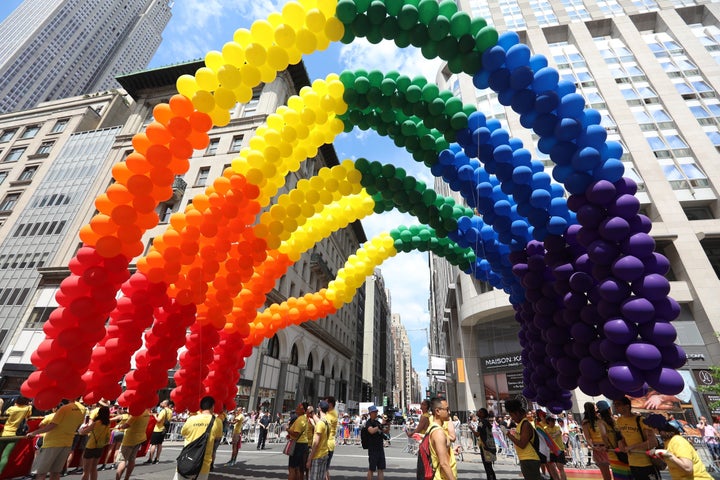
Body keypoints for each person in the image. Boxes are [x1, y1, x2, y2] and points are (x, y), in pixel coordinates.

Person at [27, 397, 87, 480]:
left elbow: (52, 425)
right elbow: (79, 423)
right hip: (67, 443)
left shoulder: (64, 409)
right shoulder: (83, 409)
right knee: (56, 472)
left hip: (52, 443)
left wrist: (34, 433)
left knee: (41, 473)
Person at [644, 413, 713, 480]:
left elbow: (688, 468)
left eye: (648, 429)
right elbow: (671, 466)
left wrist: (669, 455)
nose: (646, 431)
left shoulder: (677, 441)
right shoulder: (667, 442)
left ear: (655, 429)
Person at [173, 396, 223, 480]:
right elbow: (217, 438)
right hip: (203, 464)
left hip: (186, 460)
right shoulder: (217, 422)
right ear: (213, 406)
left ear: (201, 407)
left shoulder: (191, 419)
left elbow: (183, 433)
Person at [613, 396, 659, 480]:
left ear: (627, 406)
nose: (615, 407)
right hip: (632, 463)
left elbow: (653, 442)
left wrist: (632, 447)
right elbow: (623, 437)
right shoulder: (619, 421)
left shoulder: (641, 420)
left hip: (647, 462)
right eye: (614, 404)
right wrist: (621, 443)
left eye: (618, 404)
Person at [505, 398, 541, 480]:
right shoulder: (521, 424)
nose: (512, 418)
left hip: (530, 459)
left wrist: (508, 435)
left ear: (517, 413)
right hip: (525, 459)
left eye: (512, 415)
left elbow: (522, 444)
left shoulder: (525, 424)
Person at [596, 400, 631, 480]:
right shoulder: (615, 420)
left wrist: (607, 446)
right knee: (628, 474)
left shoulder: (601, 422)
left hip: (613, 453)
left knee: (619, 476)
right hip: (622, 450)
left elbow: (604, 435)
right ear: (609, 409)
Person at [114, 408, 150, 480]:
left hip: (129, 439)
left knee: (123, 460)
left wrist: (119, 426)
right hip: (139, 438)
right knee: (132, 459)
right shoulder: (147, 413)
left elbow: (127, 425)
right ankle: (126, 478)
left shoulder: (136, 414)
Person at [426, 398, 457, 480]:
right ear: (437, 411)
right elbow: (444, 463)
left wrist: (450, 451)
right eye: (447, 409)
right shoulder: (438, 432)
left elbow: (437, 454)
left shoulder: (433, 428)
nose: (449, 412)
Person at [80, 406, 111, 480]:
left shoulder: (96, 423)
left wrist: (82, 428)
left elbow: (83, 432)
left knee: (86, 471)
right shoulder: (108, 423)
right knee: (94, 468)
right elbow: (108, 437)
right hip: (100, 447)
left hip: (91, 446)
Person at [582, 402, 611, 480]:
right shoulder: (587, 422)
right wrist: (594, 447)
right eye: (595, 407)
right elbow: (588, 438)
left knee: (607, 474)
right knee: (608, 474)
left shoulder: (598, 419)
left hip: (603, 447)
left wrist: (594, 447)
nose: (596, 409)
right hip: (602, 448)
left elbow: (588, 438)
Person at [306, 400, 330, 480]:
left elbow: (315, 443)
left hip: (317, 456)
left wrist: (309, 459)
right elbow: (319, 421)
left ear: (319, 408)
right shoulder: (326, 421)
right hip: (324, 454)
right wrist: (312, 413)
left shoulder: (320, 424)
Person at [471, 408, 497, 480]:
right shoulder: (486, 422)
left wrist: (471, 429)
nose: (478, 412)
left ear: (482, 414)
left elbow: (477, 434)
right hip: (490, 446)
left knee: (487, 466)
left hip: (485, 447)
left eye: (479, 412)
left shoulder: (481, 422)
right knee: (489, 466)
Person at [287, 402, 310, 480]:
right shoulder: (304, 418)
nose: (296, 409)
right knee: (299, 468)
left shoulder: (300, 419)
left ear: (303, 410)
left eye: (299, 407)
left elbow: (296, 433)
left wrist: (287, 430)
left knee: (292, 468)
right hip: (303, 444)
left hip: (298, 445)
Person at [146, 400, 172, 464]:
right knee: (160, 444)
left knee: (153, 444)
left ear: (166, 404)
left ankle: (150, 459)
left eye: (163, 402)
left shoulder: (163, 411)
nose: (161, 403)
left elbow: (159, 420)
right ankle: (157, 459)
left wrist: (155, 416)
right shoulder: (170, 411)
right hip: (164, 429)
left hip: (158, 429)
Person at [365, 405, 386, 480]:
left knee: (381, 468)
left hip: (380, 447)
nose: (376, 413)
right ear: (370, 413)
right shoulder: (368, 423)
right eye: (374, 412)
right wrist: (380, 426)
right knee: (372, 468)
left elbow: (385, 431)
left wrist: (387, 423)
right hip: (373, 448)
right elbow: (371, 431)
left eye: (376, 412)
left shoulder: (377, 422)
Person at [544, 415, 567, 480]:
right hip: (551, 451)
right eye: (552, 420)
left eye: (554, 420)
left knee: (560, 467)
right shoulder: (545, 428)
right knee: (552, 468)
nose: (554, 422)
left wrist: (551, 436)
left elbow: (558, 432)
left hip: (559, 450)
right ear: (548, 421)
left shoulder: (557, 426)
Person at [324, 397, 338, 480]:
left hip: (327, 444)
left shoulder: (331, 414)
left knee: (324, 469)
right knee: (325, 469)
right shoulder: (329, 413)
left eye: (325, 403)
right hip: (328, 443)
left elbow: (322, 424)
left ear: (330, 404)